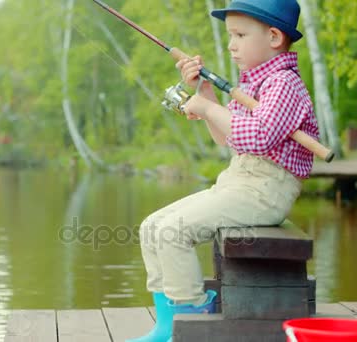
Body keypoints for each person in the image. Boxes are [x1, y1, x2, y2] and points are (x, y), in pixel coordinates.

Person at [127, 0, 319, 341]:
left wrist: (205, 108)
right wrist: (205, 94)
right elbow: (226, 139)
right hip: (239, 183)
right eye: (230, 35)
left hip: (266, 191)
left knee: (174, 232)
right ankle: (168, 323)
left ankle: (192, 320)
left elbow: (259, 137)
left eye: (240, 35)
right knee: (152, 227)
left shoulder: (284, 84)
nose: (231, 44)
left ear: (274, 37)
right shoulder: (251, 84)